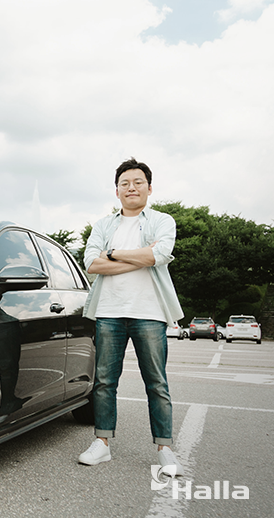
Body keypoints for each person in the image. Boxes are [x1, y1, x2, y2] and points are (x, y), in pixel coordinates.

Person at [78, 158, 184, 477]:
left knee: (156, 383)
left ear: (149, 188)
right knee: (104, 382)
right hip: (109, 312)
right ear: (117, 191)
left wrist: (112, 254)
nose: (131, 188)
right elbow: (91, 264)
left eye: (138, 182)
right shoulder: (103, 225)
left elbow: (159, 254)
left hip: (149, 313)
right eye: (125, 183)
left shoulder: (162, 221)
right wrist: (141, 257)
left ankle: (164, 449)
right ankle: (102, 443)